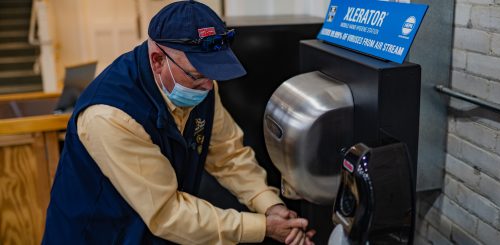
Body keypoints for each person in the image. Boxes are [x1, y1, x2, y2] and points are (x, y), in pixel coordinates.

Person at [43, 1, 315, 244]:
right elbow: (168, 213)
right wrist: (262, 228)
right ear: (158, 60)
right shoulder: (111, 116)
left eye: (213, 74)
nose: (208, 87)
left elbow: (227, 154)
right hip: (99, 234)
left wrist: (269, 206)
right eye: (196, 75)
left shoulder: (201, 86)